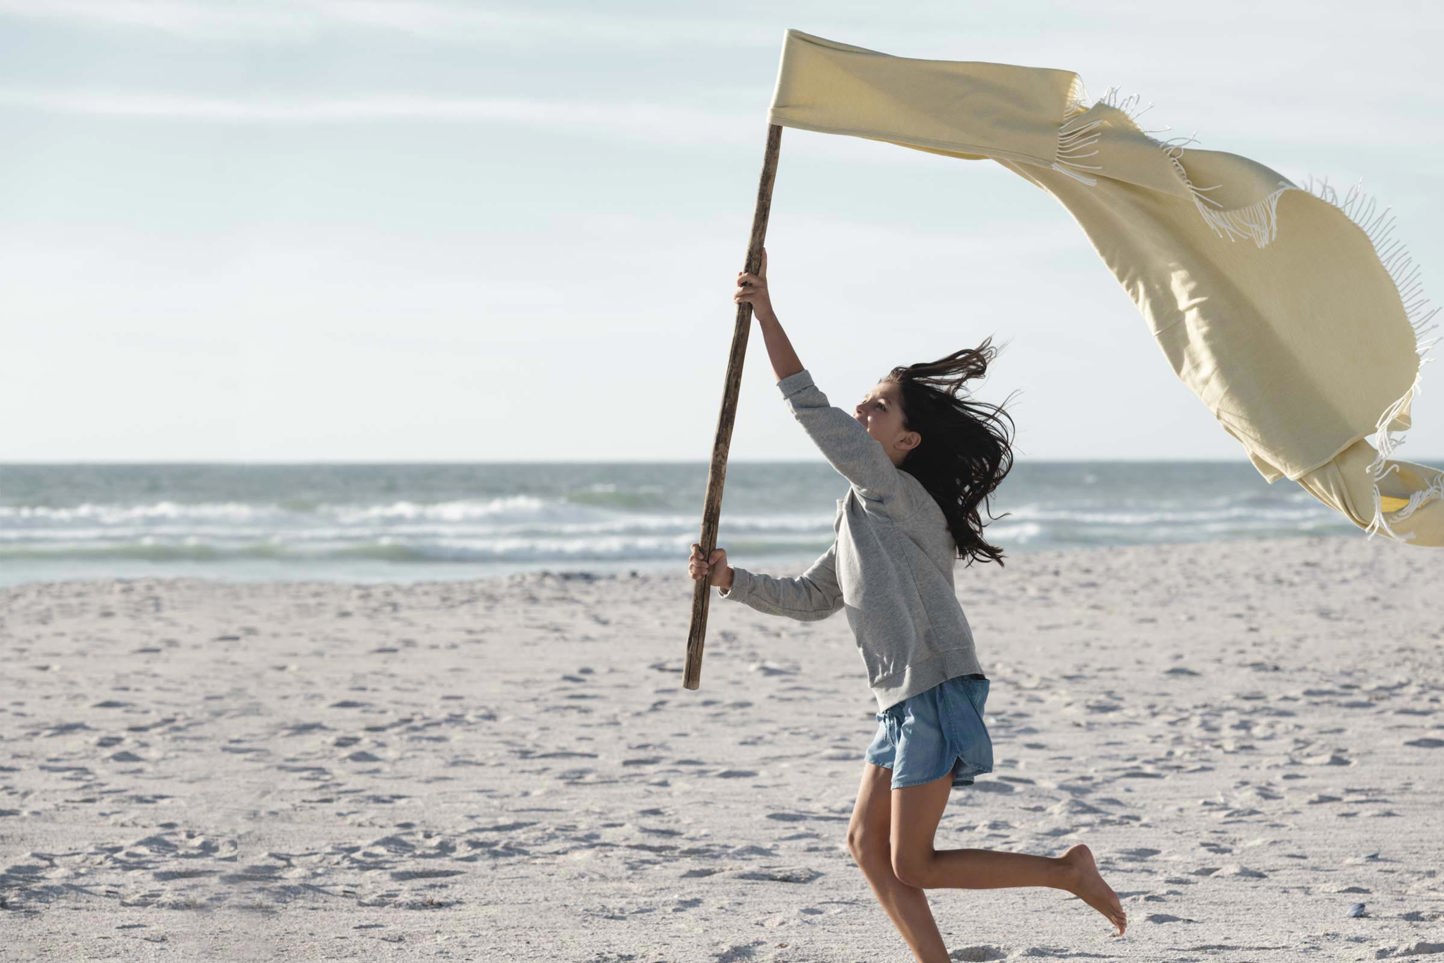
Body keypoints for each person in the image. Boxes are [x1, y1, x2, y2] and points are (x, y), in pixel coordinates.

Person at [687, 251, 1127, 962]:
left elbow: (810, 409)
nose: (862, 411)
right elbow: (814, 597)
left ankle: (1067, 871)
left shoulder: (896, 493)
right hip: (901, 699)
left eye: (878, 407)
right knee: (866, 844)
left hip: (935, 686)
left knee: (913, 861)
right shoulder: (860, 509)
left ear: (906, 442)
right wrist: (732, 580)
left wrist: (765, 314)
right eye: (866, 401)